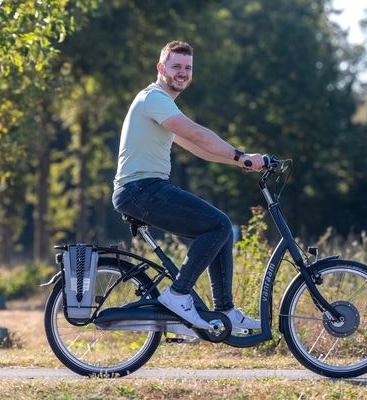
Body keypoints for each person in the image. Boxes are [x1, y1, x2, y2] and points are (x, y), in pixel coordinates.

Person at [112, 41, 265, 331]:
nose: (182, 73)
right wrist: (241, 155)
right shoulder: (154, 98)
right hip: (140, 189)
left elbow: (198, 147)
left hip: (143, 189)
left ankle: (225, 310)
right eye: (176, 66)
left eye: (187, 68)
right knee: (219, 225)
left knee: (219, 230)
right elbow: (197, 133)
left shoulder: (164, 105)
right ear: (161, 68)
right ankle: (179, 294)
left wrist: (240, 163)